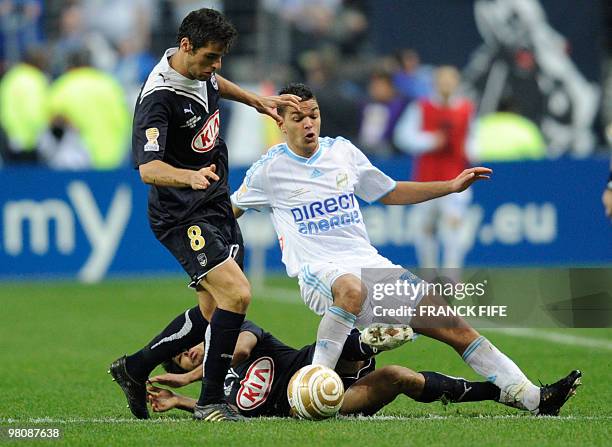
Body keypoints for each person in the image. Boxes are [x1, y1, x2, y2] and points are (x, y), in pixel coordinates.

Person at [230, 82, 581, 416]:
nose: (309, 124)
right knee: (351, 287)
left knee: (455, 327)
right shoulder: (268, 171)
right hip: (320, 272)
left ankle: (532, 398)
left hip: (370, 264)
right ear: (280, 122)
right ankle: (315, 382)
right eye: (298, 118)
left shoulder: (342, 153)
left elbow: (390, 191)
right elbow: (228, 211)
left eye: (314, 115)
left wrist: (451, 186)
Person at [109, 8, 300, 422]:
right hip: (181, 213)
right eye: (211, 57)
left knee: (215, 312)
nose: (216, 67)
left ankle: (135, 368)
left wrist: (254, 100)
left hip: (214, 202)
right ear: (185, 47)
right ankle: (212, 402)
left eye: (220, 59)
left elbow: (214, 81)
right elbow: (148, 169)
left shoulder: (199, 69)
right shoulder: (158, 98)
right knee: (238, 294)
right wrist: (188, 177)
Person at [145, 316, 505, 418]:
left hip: (314, 365)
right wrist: (179, 401)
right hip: (309, 405)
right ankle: (495, 391)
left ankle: (366, 342)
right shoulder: (216, 392)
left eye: (186, 350)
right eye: (180, 360)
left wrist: (191, 375)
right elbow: (221, 410)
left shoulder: (238, 332)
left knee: (332, 350)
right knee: (399, 377)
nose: (187, 356)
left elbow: (239, 351)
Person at [394, 66, 475, 270]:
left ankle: (452, 274)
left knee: (454, 224)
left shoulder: (466, 109)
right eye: (443, 80)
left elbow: (474, 139)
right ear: (435, 83)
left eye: (451, 80)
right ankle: (428, 272)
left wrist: (472, 152)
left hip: (457, 176)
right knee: (426, 227)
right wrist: (430, 141)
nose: (447, 84)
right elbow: (403, 136)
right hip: (426, 178)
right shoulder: (421, 107)